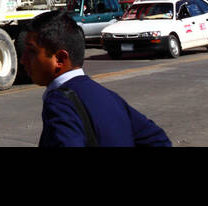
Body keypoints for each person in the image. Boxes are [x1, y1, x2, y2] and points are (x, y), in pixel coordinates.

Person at [21, 9, 171, 147]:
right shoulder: (109, 96)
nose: (23, 59)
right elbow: (157, 139)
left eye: (32, 51)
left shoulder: (59, 102)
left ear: (60, 59)